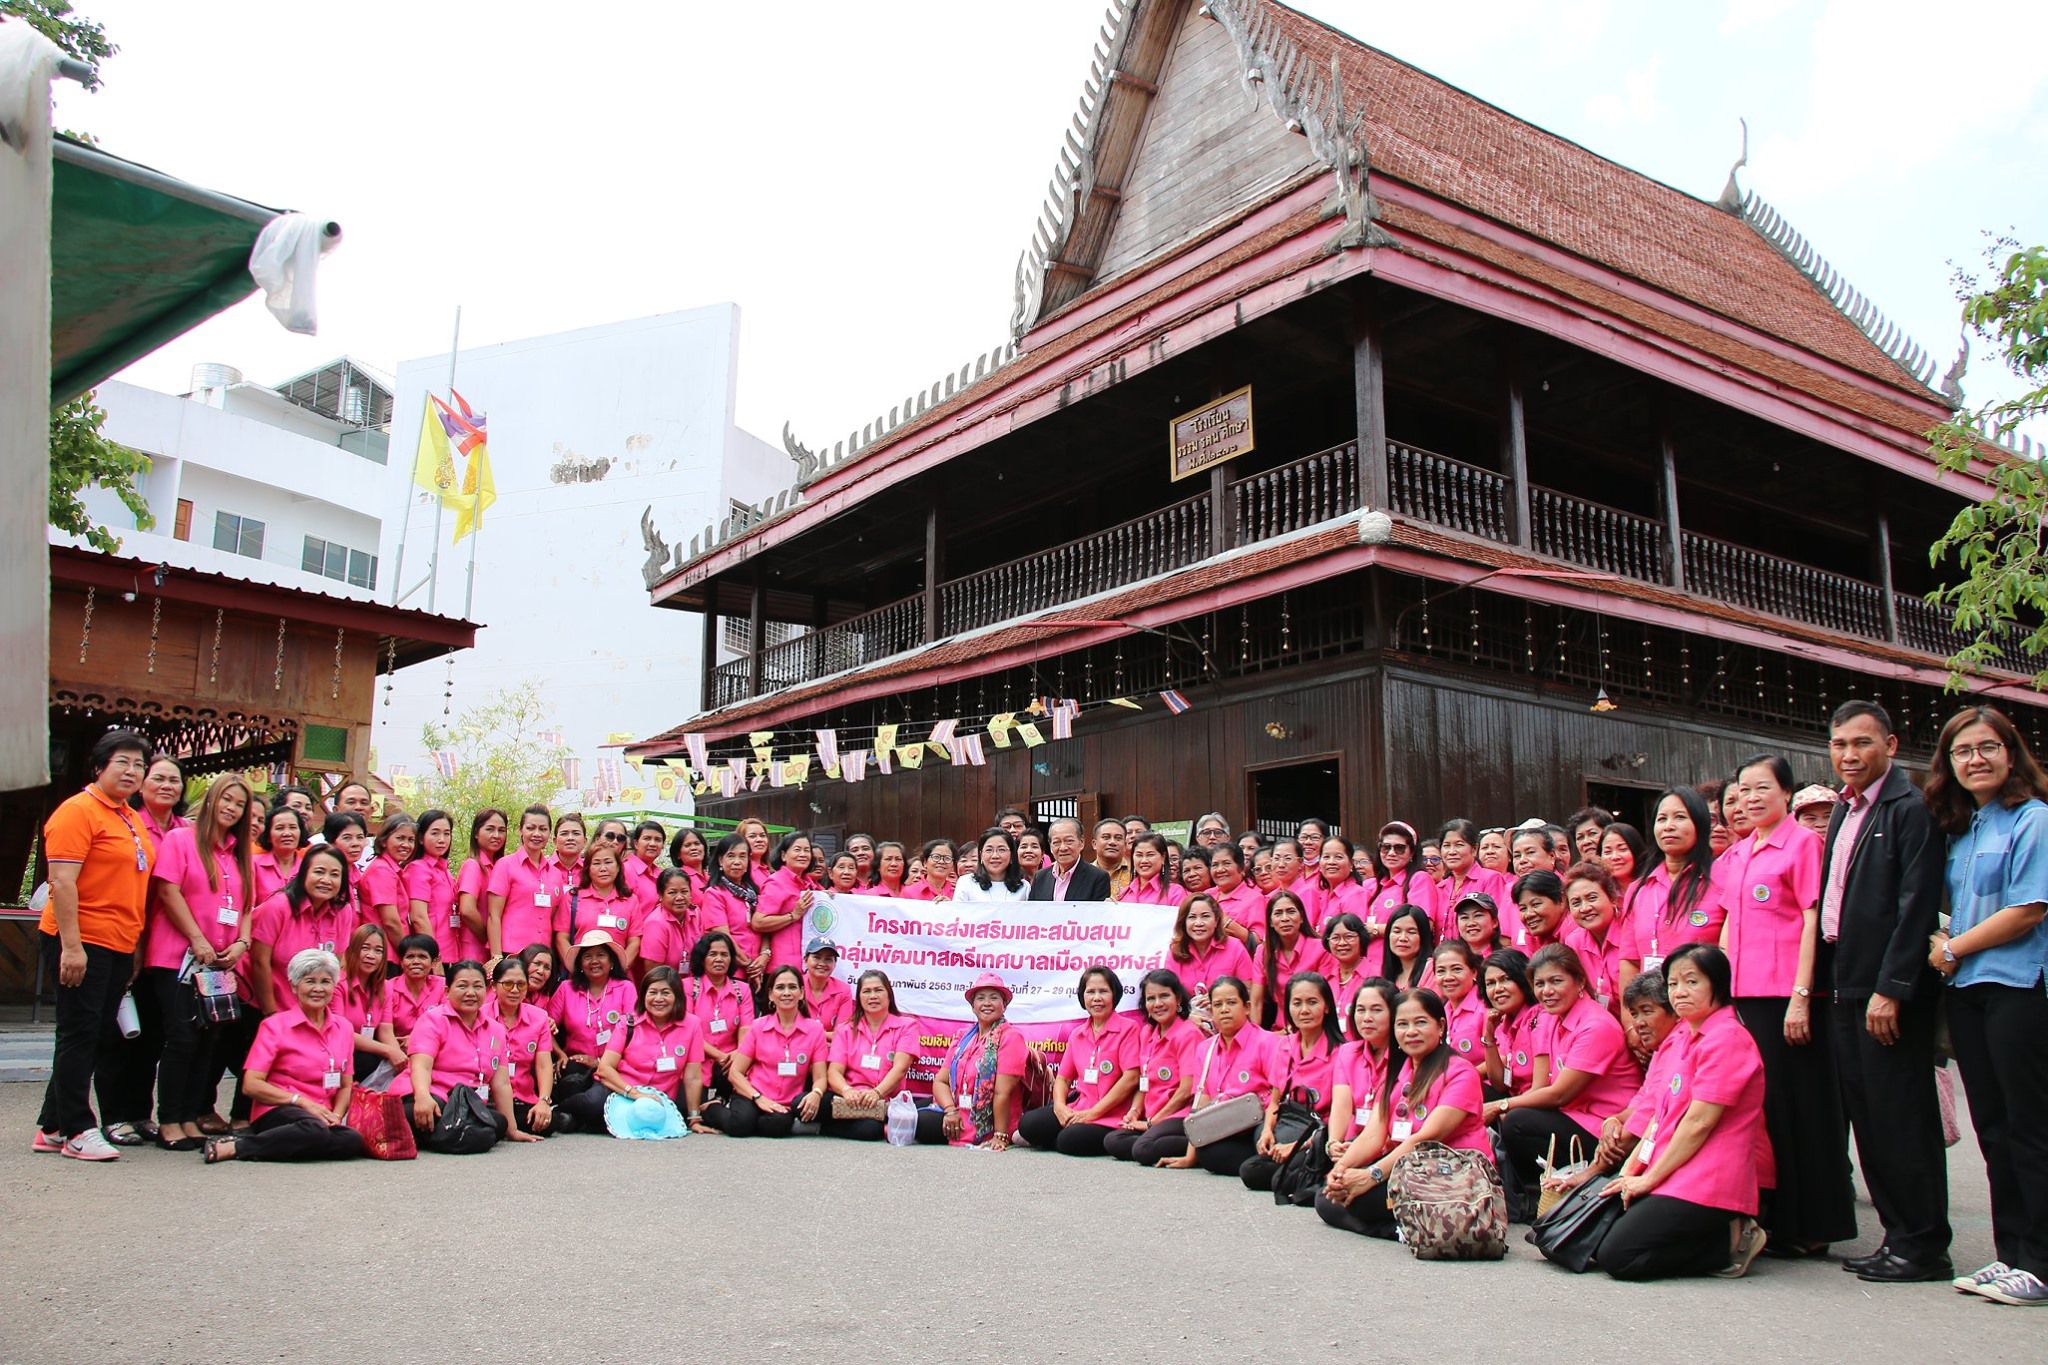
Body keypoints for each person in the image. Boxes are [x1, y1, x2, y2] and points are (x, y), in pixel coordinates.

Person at [1806, 701, 1950, 1283]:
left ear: (1890, 746)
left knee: (1901, 1116)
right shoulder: (1846, 808)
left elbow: (1917, 906)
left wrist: (1892, 989)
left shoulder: (1910, 809)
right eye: (1840, 744)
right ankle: (1897, 1236)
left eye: (1862, 743)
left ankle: (1923, 1244)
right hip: (1845, 981)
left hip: (1884, 988)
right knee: (1868, 1117)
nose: (1849, 755)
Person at [1926, 705, 2048, 1305]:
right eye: (1962, 751)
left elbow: (2029, 909)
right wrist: (1945, 944)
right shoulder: (1964, 829)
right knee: (1993, 1127)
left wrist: (1952, 948)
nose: (1975, 760)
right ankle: (2012, 1254)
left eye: (1987, 747)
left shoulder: (2034, 819)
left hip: (2019, 986)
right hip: (1968, 991)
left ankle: (2042, 1262)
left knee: (2031, 1125)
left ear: (2010, 752)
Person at [1719, 752, 1854, 1255]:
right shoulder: (1740, 853)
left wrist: (1801, 995)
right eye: (1743, 791)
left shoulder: (1802, 844)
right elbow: (1729, 925)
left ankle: (1816, 1225)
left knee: (1805, 1109)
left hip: (1788, 996)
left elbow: (1811, 920)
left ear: (1786, 794)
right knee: (1766, 1109)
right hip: (1746, 996)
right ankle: (1778, 1219)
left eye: (1762, 789)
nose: (1751, 799)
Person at [1593, 943, 1771, 1280]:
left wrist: (1648, 1180)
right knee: (1596, 1233)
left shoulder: (1727, 1038)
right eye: (1673, 984)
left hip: (1707, 1179)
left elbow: (1699, 1123)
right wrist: (1629, 1171)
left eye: (1692, 982)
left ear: (1718, 984)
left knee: (1618, 1256)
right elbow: (1659, 1116)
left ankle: (1730, 1241)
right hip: (1671, 1168)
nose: (1680, 992)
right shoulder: (1685, 1037)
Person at [33, 731, 157, 1161]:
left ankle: (52, 1125)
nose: (132, 771)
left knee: (96, 1033)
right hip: (81, 937)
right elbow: (62, 882)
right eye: (122, 762)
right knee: (79, 1032)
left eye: (139, 765)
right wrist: (71, 947)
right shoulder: (78, 811)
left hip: (117, 941)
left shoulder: (129, 816)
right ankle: (77, 1129)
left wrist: (133, 943)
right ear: (99, 766)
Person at [1316, 988, 1490, 1238]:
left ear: (1440, 1026)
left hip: (1452, 1176)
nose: (1411, 1031)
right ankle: (1403, 1231)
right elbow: (1372, 1135)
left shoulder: (1460, 1072)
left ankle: (1405, 1229)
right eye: (1402, 1024)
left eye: (1420, 1023)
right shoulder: (1399, 1072)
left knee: (1361, 1199)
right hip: (1408, 1170)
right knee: (1327, 1197)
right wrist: (1340, 1170)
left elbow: (1425, 1139)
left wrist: (1372, 1175)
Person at [139, 774, 252, 1150]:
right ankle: (169, 1119)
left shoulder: (238, 852)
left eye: (239, 804)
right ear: (211, 799)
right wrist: (197, 938)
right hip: (179, 958)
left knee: (209, 1039)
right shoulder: (181, 839)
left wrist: (242, 943)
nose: (231, 808)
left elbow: (247, 906)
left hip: (219, 964)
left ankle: (190, 1116)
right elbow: (168, 891)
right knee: (182, 1037)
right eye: (226, 799)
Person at [1489, 943, 1641, 1191]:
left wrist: (1501, 1105)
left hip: (1606, 1126)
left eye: (1556, 981)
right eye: (1539, 984)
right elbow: (1541, 1085)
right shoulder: (1550, 1018)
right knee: (1510, 1113)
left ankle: (1539, 1194)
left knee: (1518, 1121)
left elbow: (1560, 1094)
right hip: (1572, 1114)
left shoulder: (1596, 1026)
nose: (1547, 991)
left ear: (1580, 982)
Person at [202, 948, 363, 1164]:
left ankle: (288, 1145)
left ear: (334, 986)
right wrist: (301, 1102)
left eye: (325, 982)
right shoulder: (274, 1025)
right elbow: (251, 1085)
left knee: (352, 1140)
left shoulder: (344, 1028)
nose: (318, 988)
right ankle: (237, 1147)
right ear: (294, 986)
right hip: (280, 1109)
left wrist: (337, 1115)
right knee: (313, 1130)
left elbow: (345, 1085)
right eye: (310, 981)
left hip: (322, 1113)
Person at [395, 961, 535, 1147]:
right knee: (437, 1109)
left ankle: (443, 1134)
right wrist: (422, 1097)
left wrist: (512, 1130)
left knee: (499, 1123)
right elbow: (421, 1066)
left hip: (467, 1103)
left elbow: (501, 1083)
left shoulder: (495, 1030)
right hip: (430, 1094)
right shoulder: (433, 1020)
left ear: (487, 990)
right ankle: (454, 1133)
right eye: (462, 986)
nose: (471, 993)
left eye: (477, 986)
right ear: (447, 991)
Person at [1149, 977, 1273, 1174]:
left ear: (1247, 1007)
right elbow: (1202, 1100)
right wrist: (1190, 1156)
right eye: (1217, 1005)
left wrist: (1268, 1130)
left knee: (1260, 1149)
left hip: (1263, 1122)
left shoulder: (1267, 1042)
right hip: (1228, 1124)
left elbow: (1279, 1096)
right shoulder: (1205, 1049)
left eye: (1231, 1003)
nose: (1224, 1010)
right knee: (1208, 1155)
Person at [1019, 966, 1139, 1155]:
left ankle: (1064, 1139)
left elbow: (1131, 1078)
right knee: (1028, 1124)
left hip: (1111, 1114)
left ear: (1114, 995)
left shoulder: (1129, 1029)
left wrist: (1093, 1113)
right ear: (1083, 997)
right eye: (1090, 992)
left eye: (1103, 991)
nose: (1096, 998)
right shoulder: (1078, 1034)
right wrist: (1060, 1107)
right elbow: (1063, 1079)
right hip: (1079, 1107)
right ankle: (1056, 1137)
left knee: (1069, 1140)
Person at [1240, 972, 1342, 1192]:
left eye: (1312, 1002)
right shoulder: (1285, 1045)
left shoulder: (1340, 1053)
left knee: (1255, 1172)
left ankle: (1300, 1171)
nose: (1304, 1010)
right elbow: (1275, 1102)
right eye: (1297, 1003)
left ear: (1326, 1006)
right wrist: (1267, 1131)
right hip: (1288, 1121)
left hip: (1318, 1133)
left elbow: (1338, 1119)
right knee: (1249, 1164)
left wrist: (1297, 1146)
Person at [708, 965, 826, 1138]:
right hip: (752, 1094)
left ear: (801, 993)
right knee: (740, 1125)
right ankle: (712, 1108)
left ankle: (755, 1122)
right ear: (770, 994)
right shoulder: (758, 1026)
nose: (786, 993)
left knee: (777, 1126)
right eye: (780, 987)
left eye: (792, 987)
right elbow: (735, 1072)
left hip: (786, 1102)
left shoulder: (815, 1030)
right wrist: (758, 1098)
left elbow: (820, 1077)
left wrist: (816, 1093)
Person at [1618, 787, 1724, 978]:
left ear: (1700, 823)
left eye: (1680, 817)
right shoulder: (1639, 890)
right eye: (1661, 819)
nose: (1668, 826)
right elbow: (1630, 959)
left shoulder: (1723, 881)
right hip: (1651, 996)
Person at [593, 966, 709, 1134]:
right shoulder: (628, 1022)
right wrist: (634, 1094)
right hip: (621, 1089)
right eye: (652, 992)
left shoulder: (692, 1025)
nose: (658, 999)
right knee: (592, 1104)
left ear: (677, 996)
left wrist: (694, 1119)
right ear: (643, 996)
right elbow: (605, 1068)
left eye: (666, 993)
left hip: (661, 1097)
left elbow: (693, 1077)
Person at [919, 973, 1028, 1149]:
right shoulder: (962, 1037)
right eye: (980, 998)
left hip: (993, 1123)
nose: (987, 1003)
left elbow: (1002, 1093)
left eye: (994, 998)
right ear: (973, 1006)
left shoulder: (1011, 1037)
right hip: (958, 1114)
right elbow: (940, 1081)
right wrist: (950, 1110)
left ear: (1004, 1005)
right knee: (916, 1122)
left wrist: (1000, 1135)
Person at [1106, 970, 1203, 1162]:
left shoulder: (1189, 1034)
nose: (1157, 1003)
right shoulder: (1147, 1033)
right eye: (1151, 998)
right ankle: (1153, 1138)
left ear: (1178, 999)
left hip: (1179, 1115)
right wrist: (1134, 1112)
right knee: (1113, 1140)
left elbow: (1186, 1091)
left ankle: (1197, 1146)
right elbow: (1144, 1083)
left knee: (1143, 1149)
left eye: (1164, 996)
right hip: (1153, 1116)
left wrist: (1153, 1122)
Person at [548, 931, 639, 1131]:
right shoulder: (566, 989)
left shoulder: (626, 988)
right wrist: (560, 1054)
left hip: (615, 1066)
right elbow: (544, 1027)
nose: (594, 961)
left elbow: (633, 1033)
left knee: (594, 1103)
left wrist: (599, 1062)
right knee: (573, 1078)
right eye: (588, 956)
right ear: (580, 964)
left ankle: (566, 1113)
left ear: (611, 961)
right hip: (577, 1067)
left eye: (601, 955)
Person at [248, 847, 356, 1016]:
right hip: (265, 1007)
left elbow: (334, 967)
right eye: (319, 872)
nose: (326, 880)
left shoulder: (343, 911)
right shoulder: (277, 907)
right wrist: (271, 1013)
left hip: (311, 1011)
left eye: (334, 874)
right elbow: (259, 962)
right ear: (304, 873)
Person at [823, 970, 919, 1140]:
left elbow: (900, 1068)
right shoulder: (845, 1029)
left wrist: (877, 1092)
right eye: (866, 991)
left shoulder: (907, 1026)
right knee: (809, 1103)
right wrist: (847, 1090)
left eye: (878, 990)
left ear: (889, 994)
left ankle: (823, 1128)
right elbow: (834, 1071)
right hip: (849, 1097)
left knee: (870, 1130)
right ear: (859, 997)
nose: (872, 996)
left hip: (884, 1099)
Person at [1324, 979, 1397, 1163]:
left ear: (1395, 1013)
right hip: (1351, 1142)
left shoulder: (1405, 1056)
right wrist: (1333, 1143)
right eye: (1361, 1010)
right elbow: (1341, 1105)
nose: (1367, 1018)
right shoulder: (1348, 1052)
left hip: (1388, 1147)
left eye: (1376, 1010)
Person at [485, 806, 563, 964]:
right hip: (511, 953)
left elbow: (553, 916)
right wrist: (496, 957)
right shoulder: (505, 865)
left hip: (542, 956)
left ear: (549, 833)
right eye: (530, 828)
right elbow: (494, 916)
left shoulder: (555, 873)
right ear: (520, 830)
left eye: (543, 829)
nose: (537, 834)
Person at [488, 955, 555, 1135]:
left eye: (521, 985)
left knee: (552, 1122)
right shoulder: (481, 1016)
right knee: (494, 1122)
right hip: (488, 1099)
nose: (515, 990)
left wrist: (543, 1101)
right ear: (493, 986)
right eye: (508, 984)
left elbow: (544, 1065)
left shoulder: (539, 1017)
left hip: (523, 1098)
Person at [1163, 892, 1254, 1023]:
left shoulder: (1235, 947)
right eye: (1192, 917)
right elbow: (1168, 997)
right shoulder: (1175, 952)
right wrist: (1188, 1017)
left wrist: (1218, 999)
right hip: (1188, 1023)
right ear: (1183, 922)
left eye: (1205, 916)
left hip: (1229, 1022)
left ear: (1216, 921)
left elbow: (1249, 991)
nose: (1198, 923)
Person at [555, 841, 641, 974]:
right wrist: (576, 969)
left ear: (618, 867)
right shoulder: (573, 898)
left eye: (608, 862)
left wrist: (619, 969)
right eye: (596, 863)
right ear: (588, 868)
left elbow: (634, 941)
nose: (603, 868)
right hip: (580, 976)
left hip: (618, 978)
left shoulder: (630, 900)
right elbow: (561, 937)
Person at [1252, 890, 1333, 1028]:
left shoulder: (1320, 948)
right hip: (1280, 1031)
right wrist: (1255, 1036)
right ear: (1270, 922)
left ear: (1301, 917)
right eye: (1278, 913)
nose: (1285, 918)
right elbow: (1256, 1002)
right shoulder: (1263, 952)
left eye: (1290, 911)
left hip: (1315, 1027)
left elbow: (1327, 997)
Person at [684, 931, 755, 1089]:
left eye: (724, 955)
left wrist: (738, 1055)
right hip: (697, 1064)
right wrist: (720, 1056)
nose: (719, 959)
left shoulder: (742, 989)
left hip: (733, 1062)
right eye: (713, 954)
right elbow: (688, 1032)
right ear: (702, 958)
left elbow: (746, 1028)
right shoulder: (688, 987)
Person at [335, 923, 406, 1080]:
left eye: (378, 950)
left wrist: (398, 1057)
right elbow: (340, 1032)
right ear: (352, 950)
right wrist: (388, 1051)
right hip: (343, 1051)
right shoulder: (338, 984)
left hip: (371, 1051)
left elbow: (386, 1030)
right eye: (365, 948)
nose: (371, 955)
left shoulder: (385, 987)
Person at [404, 809, 465, 966]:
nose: (442, 839)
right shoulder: (418, 868)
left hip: (452, 953)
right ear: (421, 838)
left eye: (447, 834)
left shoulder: (445, 871)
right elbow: (418, 917)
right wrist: (434, 958)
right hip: (432, 956)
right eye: (435, 833)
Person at [1561, 862, 1627, 1006]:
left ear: (1612, 899)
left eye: (1592, 898)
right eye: (1576, 903)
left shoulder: (1630, 933)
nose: (1585, 908)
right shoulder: (1573, 942)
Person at [700, 834, 762, 981]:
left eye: (742, 856)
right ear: (720, 860)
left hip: (759, 968)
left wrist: (764, 956)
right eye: (731, 856)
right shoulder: (714, 894)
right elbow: (724, 937)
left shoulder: (753, 893)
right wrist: (749, 966)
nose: (737, 862)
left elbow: (764, 925)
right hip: (733, 971)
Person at [753, 832, 818, 970]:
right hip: (783, 964)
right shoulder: (776, 882)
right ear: (783, 855)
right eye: (797, 849)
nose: (803, 854)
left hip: (807, 962)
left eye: (807, 850)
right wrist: (793, 915)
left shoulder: (810, 883)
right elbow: (758, 922)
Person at [1436, 819, 1510, 939]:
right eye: (1446, 846)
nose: (1451, 852)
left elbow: (1499, 925)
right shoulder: (1440, 887)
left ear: (1474, 849)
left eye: (1459, 845)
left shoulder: (1491, 879)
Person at [1479, 949, 1539, 1096]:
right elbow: (1500, 1084)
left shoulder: (1539, 1019)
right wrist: (1489, 1037)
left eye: (1505, 979)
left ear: (1522, 979)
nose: (1498, 989)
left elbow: (1542, 1088)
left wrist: (1504, 1105)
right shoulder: (1502, 1023)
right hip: (1517, 1099)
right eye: (1490, 983)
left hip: (1538, 1101)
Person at [453, 808, 507, 968]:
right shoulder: (473, 865)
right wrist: (490, 938)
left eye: (501, 830)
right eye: (490, 829)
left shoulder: (499, 867)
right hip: (473, 950)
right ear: (476, 833)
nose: (496, 835)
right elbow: (467, 910)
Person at [1364, 821, 1438, 933]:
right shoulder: (1369, 885)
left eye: (1399, 848)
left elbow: (1423, 926)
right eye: (1385, 847)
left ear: (1412, 852)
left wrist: (1375, 929)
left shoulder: (1419, 879)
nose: (1391, 853)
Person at [360, 816, 418, 947]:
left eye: (411, 840)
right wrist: (406, 952)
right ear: (384, 841)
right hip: (384, 948)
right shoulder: (382, 870)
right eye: (400, 838)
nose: (406, 845)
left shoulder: (391, 869)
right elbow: (391, 922)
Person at [389, 934, 447, 1049]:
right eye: (410, 957)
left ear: (434, 962)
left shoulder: (442, 986)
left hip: (434, 1047)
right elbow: (383, 1029)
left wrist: (415, 1039)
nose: (416, 961)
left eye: (422, 957)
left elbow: (447, 1024)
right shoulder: (388, 987)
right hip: (396, 1049)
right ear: (401, 962)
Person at [1433, 940, 1488, 1062]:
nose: (1448, 977)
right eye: (1441, 971)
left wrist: (1464, 1074)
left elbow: (1502, 1058)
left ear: (1474, 972)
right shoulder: (1439, 1012)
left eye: (1456, 969)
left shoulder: (1486, 1009)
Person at [1030, 819, 1111, 901]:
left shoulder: (1097, 877)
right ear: (1050, 846)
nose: (1063, 848)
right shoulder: (1040, 877)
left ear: (1081, 843)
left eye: (1069, 841)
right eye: (1056, 842)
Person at [1301, 835, 1368, 931]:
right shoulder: (1322, 895)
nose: (1331, 862)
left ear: (1351, 863)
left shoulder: (1356, 894)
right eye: (1326, 857)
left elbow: (1353, 935)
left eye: (1338, 857)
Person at [635, 870, 691, 978]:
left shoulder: (696, 914)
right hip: (666, 984)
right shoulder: (655, 924)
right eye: (672, 892)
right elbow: (654, 974)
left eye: (684, 891)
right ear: (660, 895)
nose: (680, 897)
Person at [1205, 844, 1263, 944]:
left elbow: (1259, 943)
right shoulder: (1206, 895)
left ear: (1241, 868)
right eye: (1215, 865)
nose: (1220, 869)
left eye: (1226, 863)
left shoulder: (1255, 899)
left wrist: (1229, 925)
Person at [1321, 912, 1373, 1021]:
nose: (1342, 943)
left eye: (1349, 937)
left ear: (1361, 938)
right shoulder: (1326, 979)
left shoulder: (1376, 975)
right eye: (1335, 938)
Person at [251, 804, 305, 906]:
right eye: (280, 828)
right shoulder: (253, 864)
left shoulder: (307, 868)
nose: (287, 833)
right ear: (268, 835)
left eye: (293, 827)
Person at [957, 827, 1030, 901]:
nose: (995, 856)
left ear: (1011, 855)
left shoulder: (1024, 887)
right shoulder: (966, 883)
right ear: (981, 855)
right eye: (989, 850)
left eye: (1001, 850)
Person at [800, 937, 852, 1037]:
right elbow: (789, 1028)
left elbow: (842, 1035)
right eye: (817, 957)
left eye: (828, 959)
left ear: (835, 964)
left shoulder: (843, 990)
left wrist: (813, 1034)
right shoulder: (795, 986)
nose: (822, 963)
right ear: (805, 960)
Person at [1381, 904, 1436, 992]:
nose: (1403, 938)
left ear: (1423, 937)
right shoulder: (1389, 975)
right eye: (1397, 931)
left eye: (1411, 932)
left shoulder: (1433, 969)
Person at [1119, 832, 1176, 905]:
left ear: (1163, 857)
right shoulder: (1124, 893)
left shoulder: (1175, 893)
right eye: (1139, 855)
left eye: (1150, 855)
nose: (1144, 861)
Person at [1599, 822, 1648, 901]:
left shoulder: (1653, 886)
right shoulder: (1602, 892)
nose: (1614, 857)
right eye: (1607, 852)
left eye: (1622, 849)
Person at [1092, 818, 1132, 899]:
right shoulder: (1084, 875)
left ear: (1125, 845)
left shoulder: (1136, 873)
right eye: (1106, 837)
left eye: (1118, 838)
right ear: (1094, 844)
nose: (1112, 842)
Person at [669, 826, 711, 898]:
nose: (693, 848)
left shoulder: (712, 877)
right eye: (687, 845)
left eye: (697, 843)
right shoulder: (676, 879)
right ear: (678, 854)